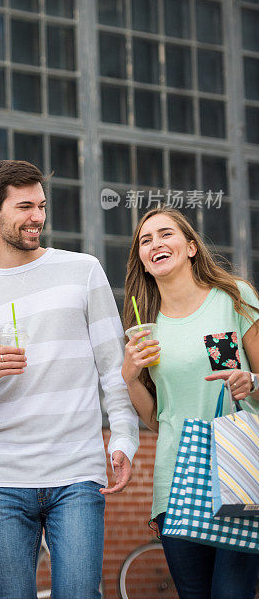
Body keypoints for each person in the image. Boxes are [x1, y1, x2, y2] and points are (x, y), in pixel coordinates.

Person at [0, 160, 139, 599]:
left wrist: (124, 437)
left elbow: (114, 367)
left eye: (42, 205)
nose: (38, 217)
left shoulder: (83, 270)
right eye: (24, 207)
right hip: (4, 478)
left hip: (76, 470)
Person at [121, 206, 259, 599]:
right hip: (176, 481)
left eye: (166, 234)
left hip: (237, 473)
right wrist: (128, 377)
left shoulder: (232, 298)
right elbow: (156, 418)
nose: (156, 244)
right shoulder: (147, 325)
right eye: (146, 241)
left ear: (192, 247)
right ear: (144, 263)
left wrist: (249, 381)